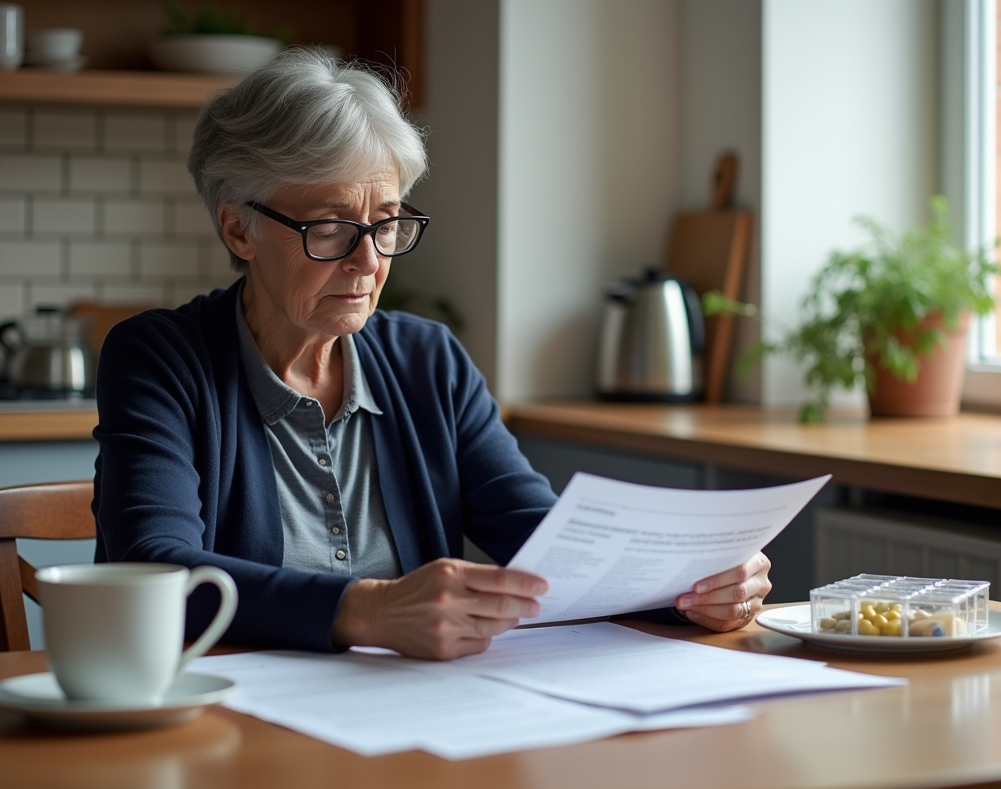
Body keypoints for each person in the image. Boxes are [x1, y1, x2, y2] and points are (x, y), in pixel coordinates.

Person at [92, 47, 772, 660]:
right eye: (331, 227)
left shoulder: (428, 360)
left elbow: (546, 546)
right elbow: (153, 570)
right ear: (239, 229)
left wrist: (692, 587)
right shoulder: (161, 358)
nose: (368, 261)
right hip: (227, 726)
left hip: (413, 724)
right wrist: (366, 609)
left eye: (387, 224)